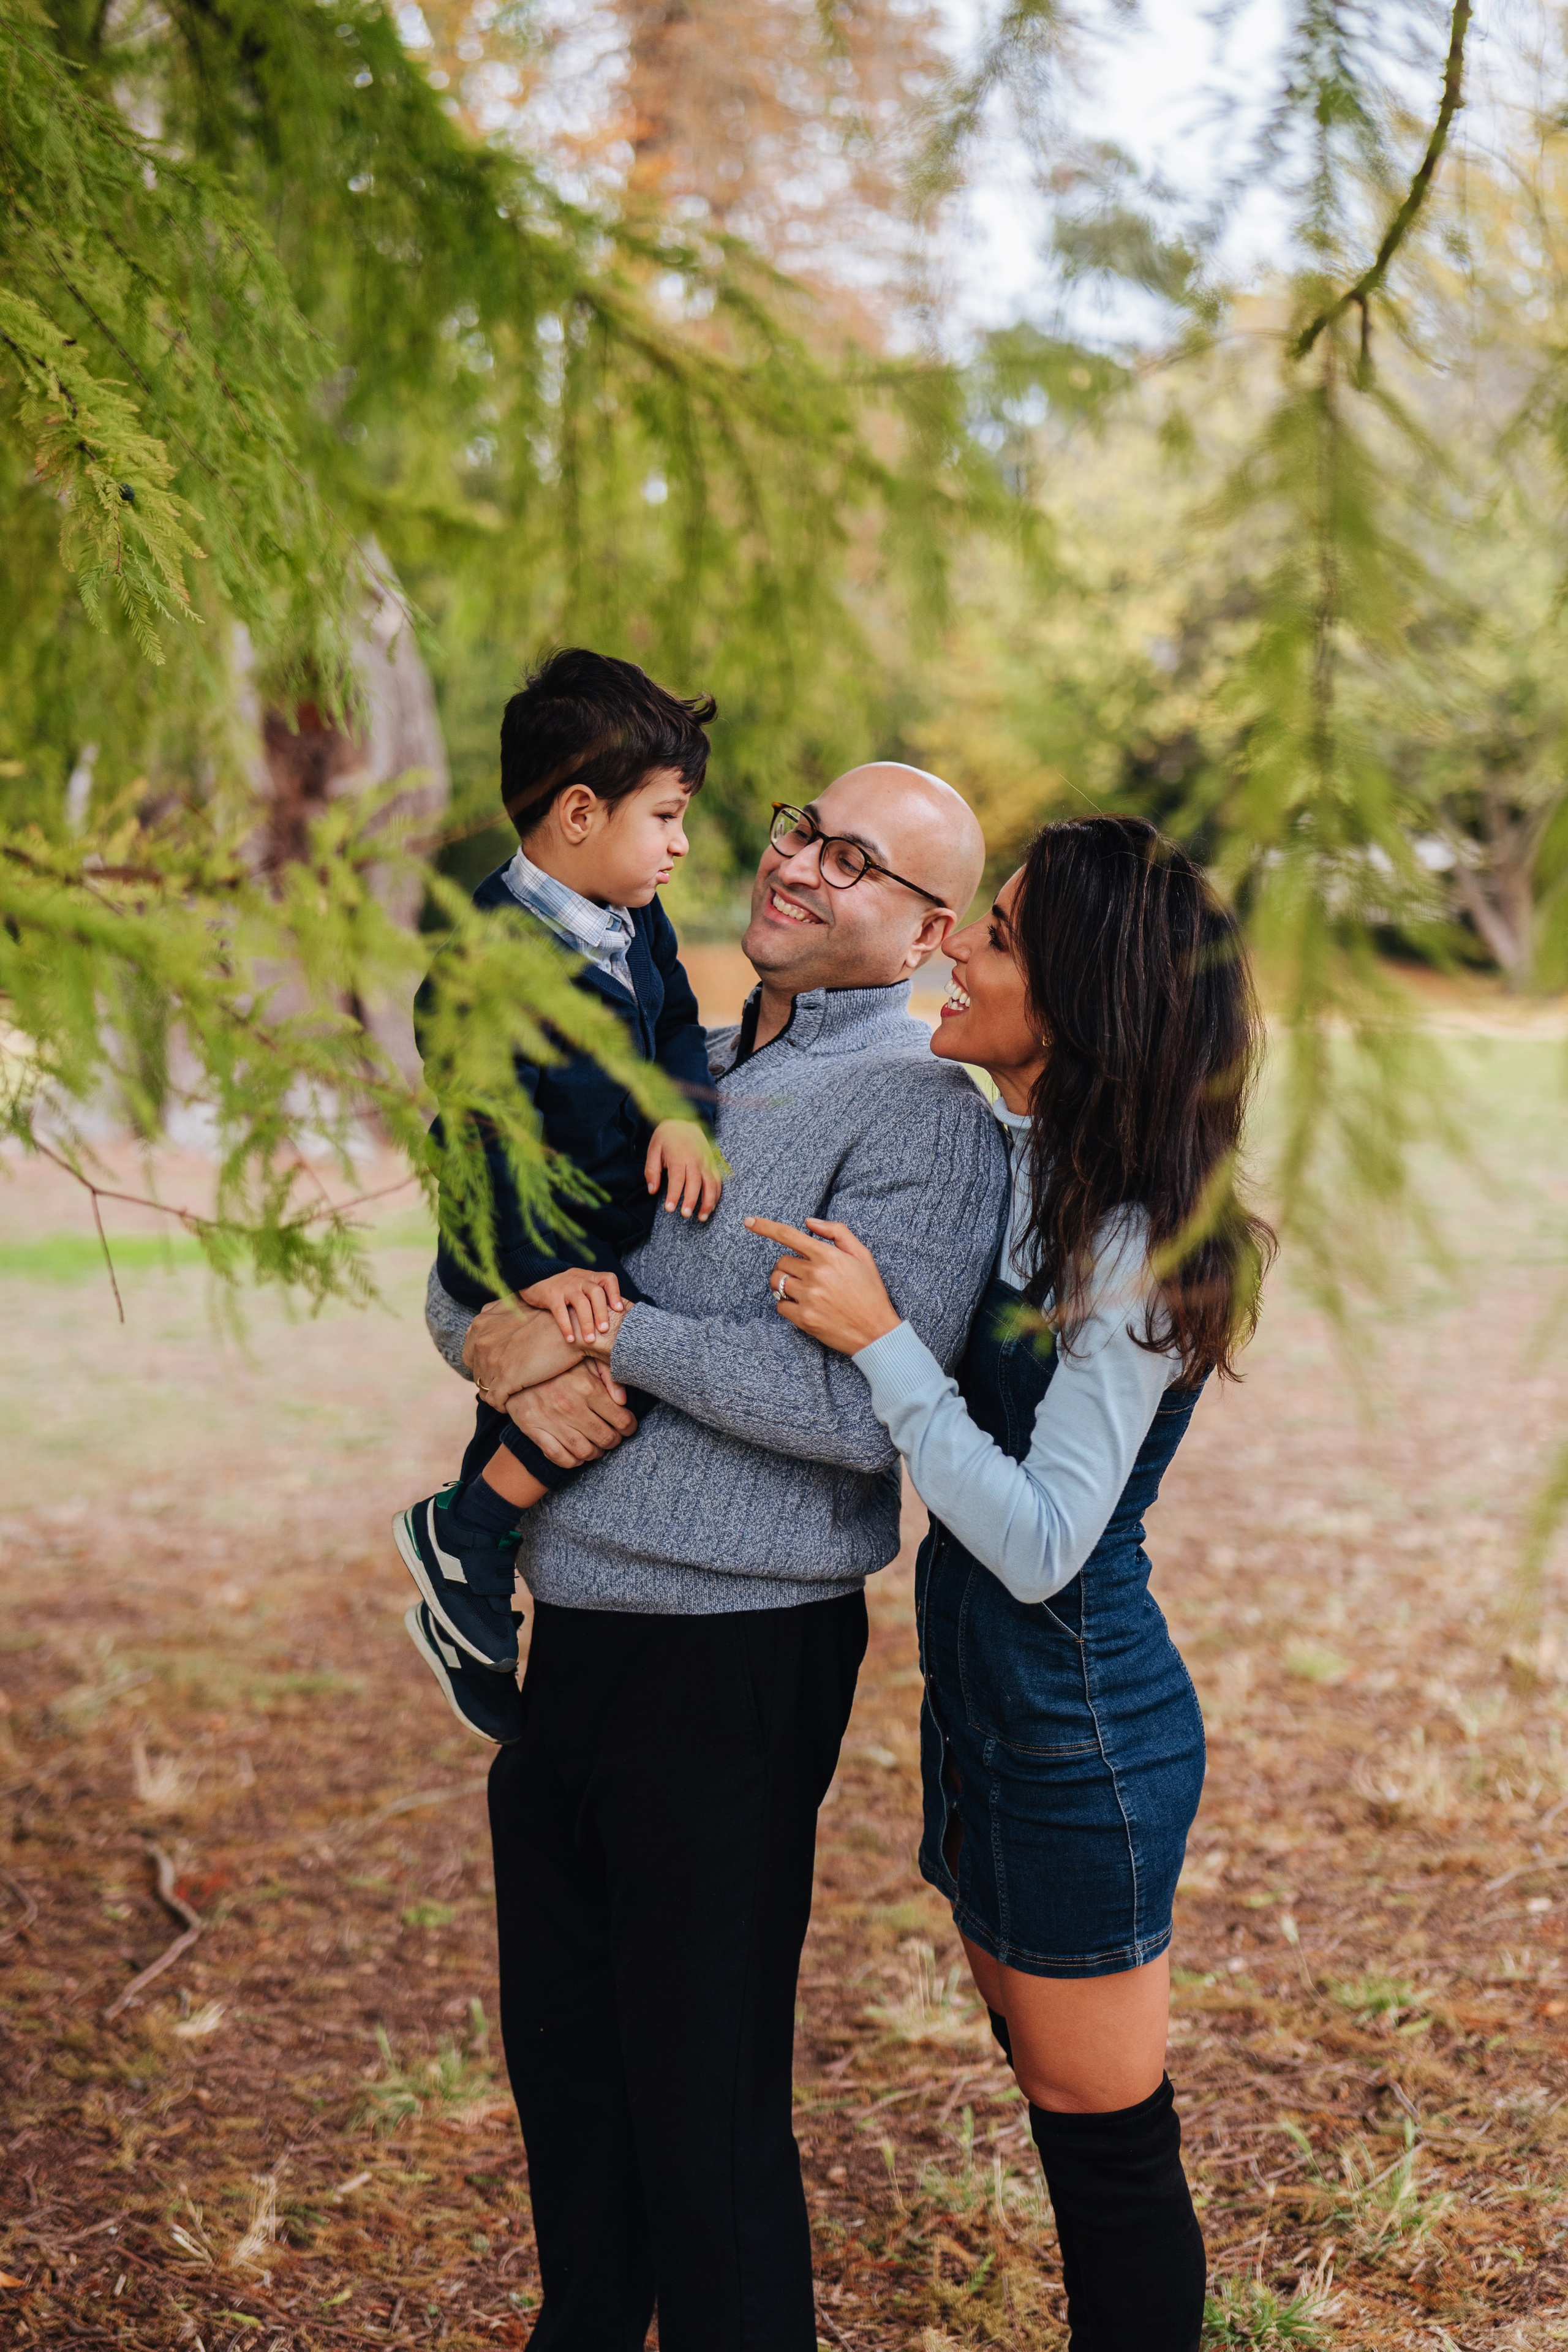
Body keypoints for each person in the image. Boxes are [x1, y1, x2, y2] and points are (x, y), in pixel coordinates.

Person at [428, 767, 1009, 2352]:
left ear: (925, 930)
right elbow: (470, 1278)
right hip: (575, 1630)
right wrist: (526, 1330)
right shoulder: (655, 1049)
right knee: (569, 2068)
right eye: (800, 830)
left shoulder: (918, 1117)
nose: (801, 866)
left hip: (735, 1662)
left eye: (857, 861)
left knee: (706, 2106)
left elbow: (850, 1409)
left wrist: (622, 1330)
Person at [746, 815, 1274, 2352]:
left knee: (1106, 2158)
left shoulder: (1131, 1243)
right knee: (1057, 2108)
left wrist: (879, 1342)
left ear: (1088, 995)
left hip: (1078, 1737)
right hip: (986, 1714)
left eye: (1002, 933)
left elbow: (1045, 1539)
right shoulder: (1033, 1164)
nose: (960, 945)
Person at [396, 647, 725, 1743]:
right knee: (597, 1382)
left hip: (599, 1233)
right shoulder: (488, 967)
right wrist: (535, 1279)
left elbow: (675, 1018)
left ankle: (467, 1557)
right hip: (519, 1239)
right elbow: (477, 1147)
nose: (681, 845)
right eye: (666, 818)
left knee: (602, 1382)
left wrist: (682, 1108)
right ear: (579, 812)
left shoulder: (633, 919)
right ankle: (469, 1542)